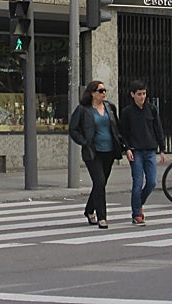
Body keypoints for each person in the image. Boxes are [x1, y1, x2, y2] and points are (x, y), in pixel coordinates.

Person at [69, 79, 123, 229]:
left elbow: (116, 127)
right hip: (93, 152)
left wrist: (124, 145)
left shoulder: (109, 107)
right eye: (100, 91)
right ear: (92, 93)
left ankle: (88, 210)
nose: (104, 93)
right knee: (99, 182)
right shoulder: (83, 110)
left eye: (104, 90)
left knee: (101, 183)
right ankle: (102, 217)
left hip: (109, 151)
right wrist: (84, 141)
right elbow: (73, 129)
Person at [118, 79, 165, 226]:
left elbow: (158, 128)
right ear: (132, 95)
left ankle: (138, 204)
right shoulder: (127, 112)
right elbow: (122, 133)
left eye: (144, 94)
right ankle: (137, 214)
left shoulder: (151, 109)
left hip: (150, 149)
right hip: (136, 150)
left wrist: (162, 149)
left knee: (152, 182)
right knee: (137, 182)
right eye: (139, 94)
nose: (142, 97)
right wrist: (127, 148)